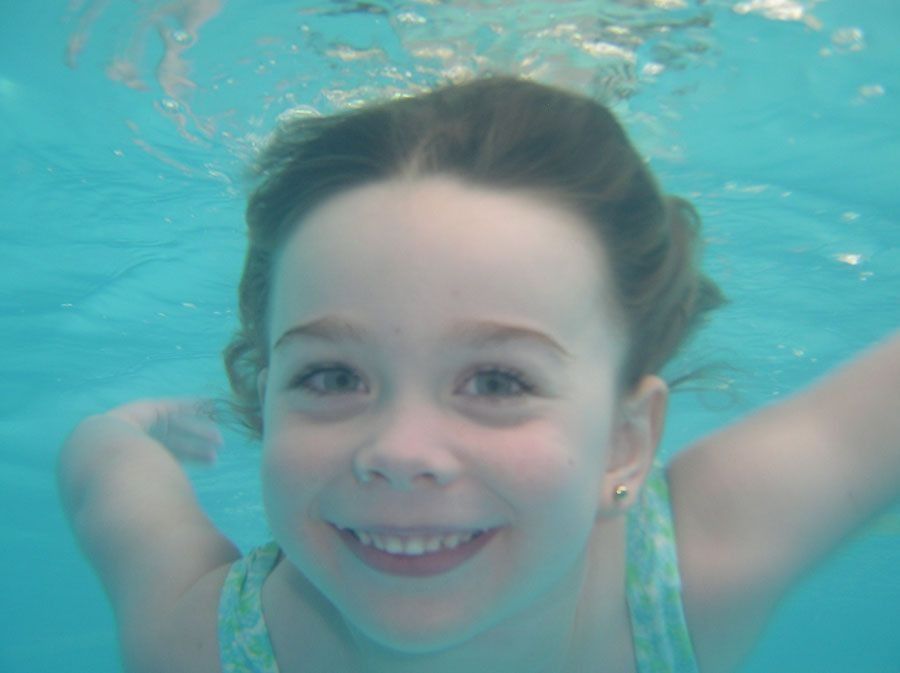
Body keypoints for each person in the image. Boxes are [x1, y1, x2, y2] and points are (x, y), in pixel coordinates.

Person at [57, 76, 900, 673]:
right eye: (330, 375)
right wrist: (126, 430)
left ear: (623, 441)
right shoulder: (198, 645)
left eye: (496, 381)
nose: (399, 450)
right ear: (266, 401)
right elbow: (106, 471)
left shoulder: (705, 566)